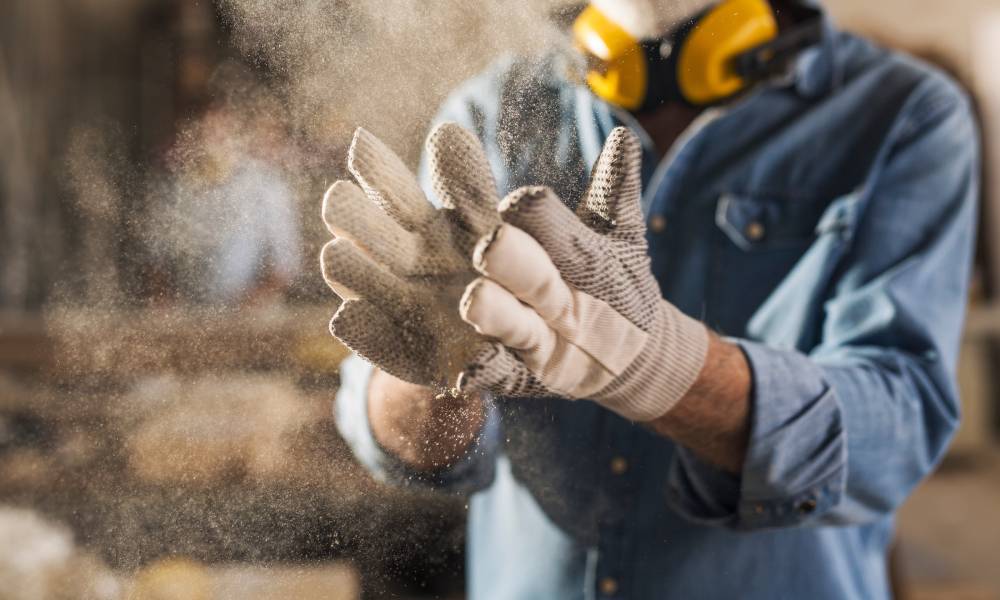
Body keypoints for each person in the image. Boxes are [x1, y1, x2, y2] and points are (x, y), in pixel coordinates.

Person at [327, 0, 980, 597]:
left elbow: (897, 434)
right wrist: (429, 377)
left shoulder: (901, 114)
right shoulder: (495, 110)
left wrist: (662, 368)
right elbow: (406, 446)